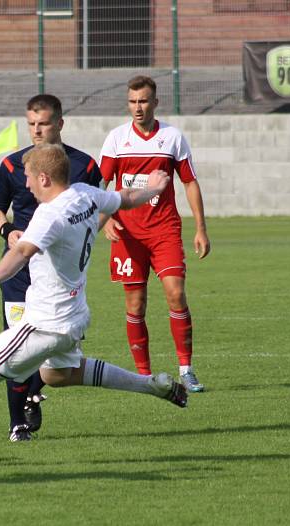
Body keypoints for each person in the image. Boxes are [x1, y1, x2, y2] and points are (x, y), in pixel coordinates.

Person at [0, 144, 187, 469]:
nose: (28, 185)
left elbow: (20, 254)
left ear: (45, 178)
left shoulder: (50, 214)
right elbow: (125, 199)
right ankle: (150, 385)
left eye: (30, 178)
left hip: (43, 325)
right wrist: (153, 189)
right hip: (73, 318)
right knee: (57, 374)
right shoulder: (86, 194)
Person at [0, 94, 102, 442]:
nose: (37, 130)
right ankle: (17, 424)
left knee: (55, 347)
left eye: (44, 123)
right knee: (17, 345)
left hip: (62, 277)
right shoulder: (12, 166)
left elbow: (99, 206)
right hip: (20, 274)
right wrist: (7, 231)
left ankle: (34, 392)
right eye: (32, 124)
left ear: (60, 124)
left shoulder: (84, 166)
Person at [98, 75, 210, 393]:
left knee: (176, 293)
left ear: (155, 102)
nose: (138, 107)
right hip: (128, 235)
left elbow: (189, 182)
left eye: (144, 101)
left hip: (164, 231)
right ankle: (143, 376)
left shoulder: (172, 137)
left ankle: (186, 369)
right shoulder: (117, 139)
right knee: (136, 305)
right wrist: (105, 220)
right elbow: (100, 185)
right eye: (133, 101)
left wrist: (201, 228)